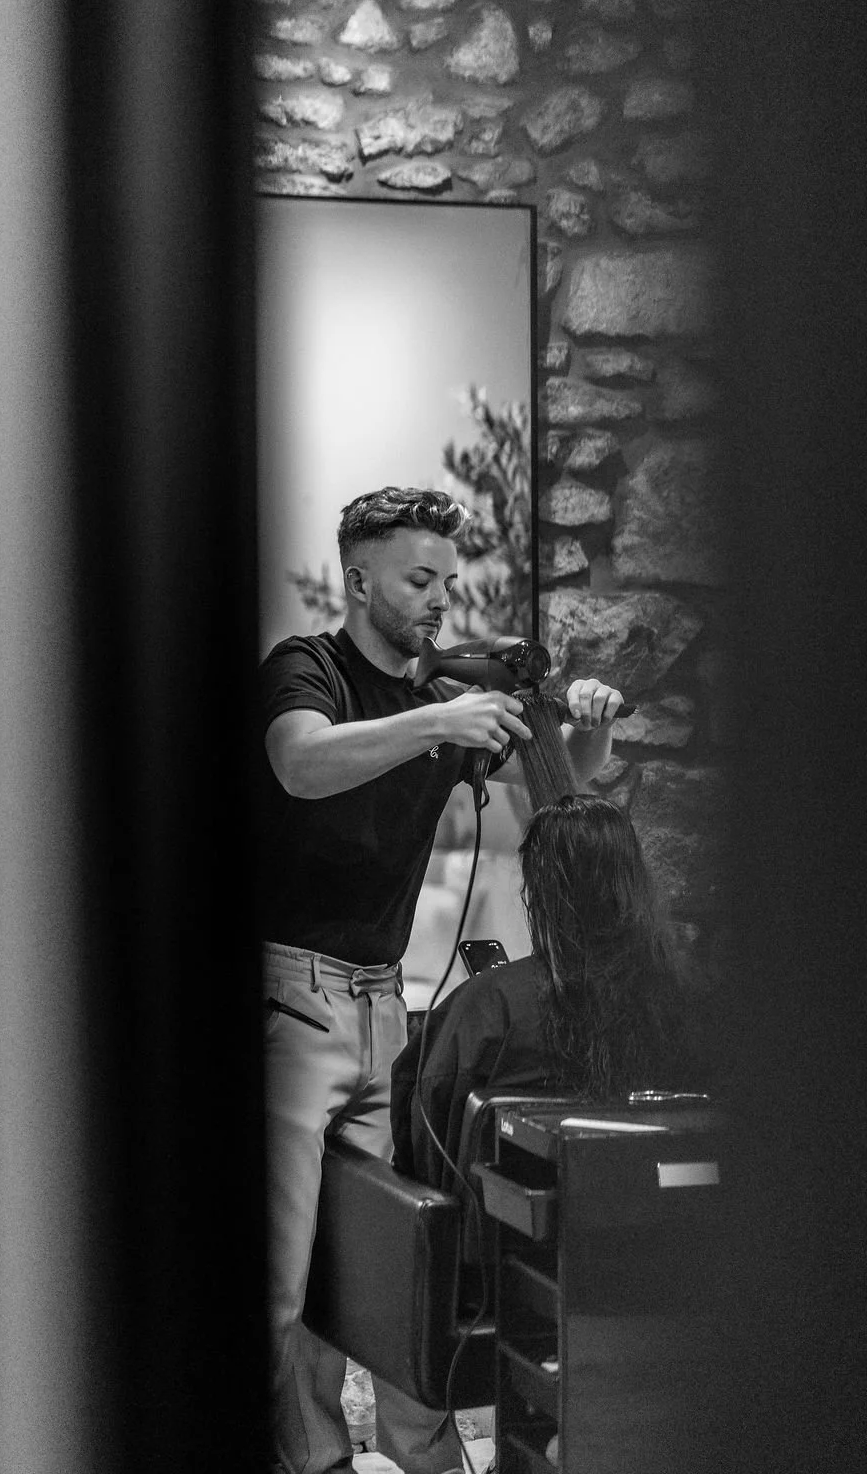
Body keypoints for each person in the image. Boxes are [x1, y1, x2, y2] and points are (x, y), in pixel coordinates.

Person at [259, 487, 624, 1474]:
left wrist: (582, 730)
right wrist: (436, 725)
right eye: (418, 581)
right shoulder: (308, 670)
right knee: (287, 1289)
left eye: (446, 583)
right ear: (360, 578)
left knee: (382, 1274)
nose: (436, 600)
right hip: (290, 1003)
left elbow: (555, 800)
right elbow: (298, 764)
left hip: (384, 1007)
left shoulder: (436, 707)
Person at [390, 793, 696, 1195]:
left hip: (505, 1246)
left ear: (537, 890)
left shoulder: (490, 1007)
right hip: (656, 1228)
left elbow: (426, 1139)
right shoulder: (684, 1005)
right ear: (633, 881)